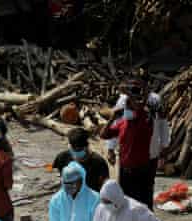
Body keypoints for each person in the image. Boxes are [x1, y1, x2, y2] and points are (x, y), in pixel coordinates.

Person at [106, 91, 171, 208]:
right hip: (128, 157)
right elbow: (116, 124)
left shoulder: (155, 101)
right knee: (127, 191)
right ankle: (128, 218)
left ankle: (146, 219)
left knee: (146, 190)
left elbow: (163, 124)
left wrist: (165, 147)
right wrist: (110, 148)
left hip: (151, 155)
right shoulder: (123, 101)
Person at [102, 82, 156, 210]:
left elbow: (139, 108)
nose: (126, 108)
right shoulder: (123, 123)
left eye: (128, 106)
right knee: (127, 203)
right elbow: (104, 134)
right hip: (125, 170)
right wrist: (112, 117)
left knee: (144, 204)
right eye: (125, 105)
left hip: (141, 170)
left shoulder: (145, 120)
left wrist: (128, 94)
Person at [52, 128, 110, 192]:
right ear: (69, 145)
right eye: (73, 148)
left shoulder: (99, 162)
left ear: (86, 146)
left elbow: (104, 185)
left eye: (79, 149)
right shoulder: (62, 158)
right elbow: (60, 177)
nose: (76, 151)